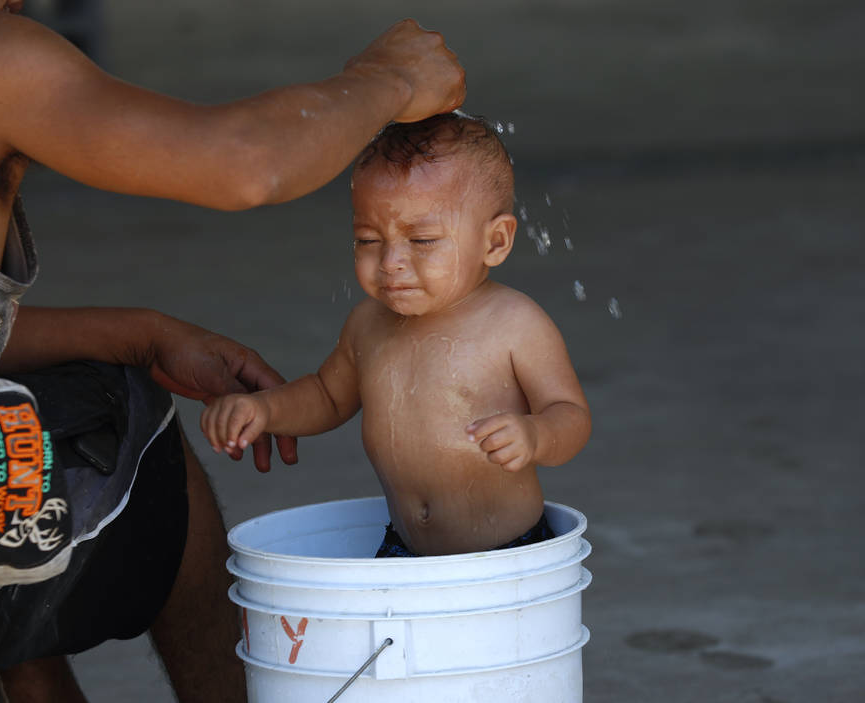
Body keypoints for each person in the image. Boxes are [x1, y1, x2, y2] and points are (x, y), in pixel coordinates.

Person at [0, 0, 465, 700]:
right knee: (129, 426)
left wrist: (146, 333)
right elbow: (245, 161)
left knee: (9, 455)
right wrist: (389, 78)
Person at [201, 113, 591, 558]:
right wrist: (263, 409)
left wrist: (536, 435)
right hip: (403, 547)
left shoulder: (514, 324)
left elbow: (571, 415)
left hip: (506, 554)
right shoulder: (368, 324)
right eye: (368, 240)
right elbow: (328, 397)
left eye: (422, 240)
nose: (390, 262)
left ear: (495, 242)